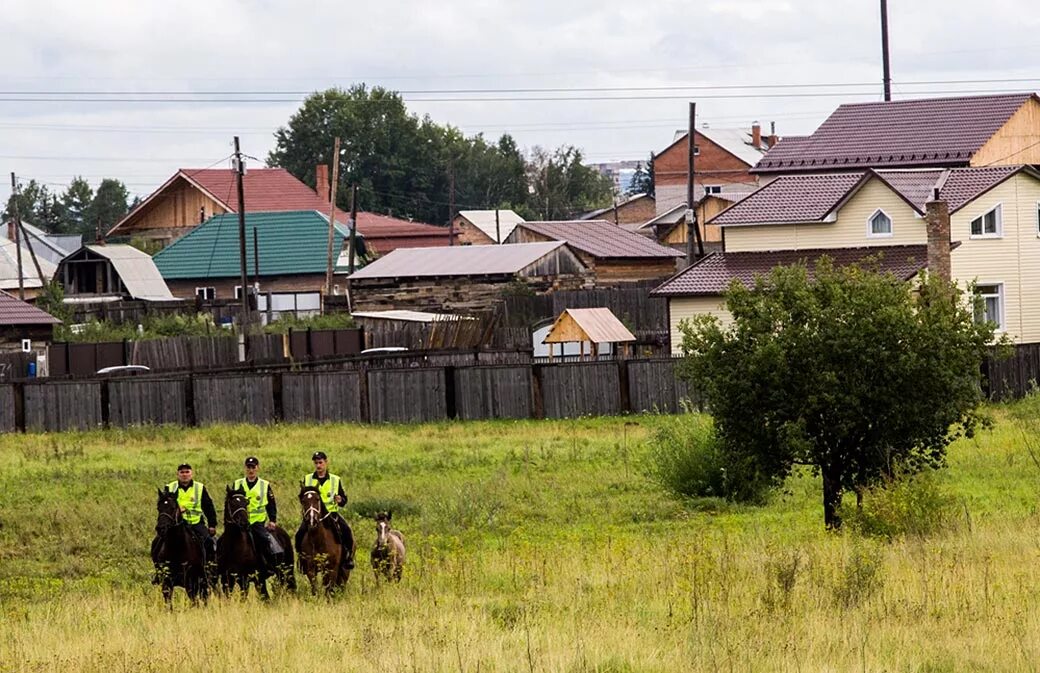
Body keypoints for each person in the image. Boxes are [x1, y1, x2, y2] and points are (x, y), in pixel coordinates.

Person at [152, 463, 218, 582]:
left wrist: (212, 525)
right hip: (175, 525)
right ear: (178, 474)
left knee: (208, 541)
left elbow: (208, 506)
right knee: (157, 542)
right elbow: (163, 505)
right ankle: (159, 571)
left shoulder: (199, 488)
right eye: (182, 472)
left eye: (187, 472)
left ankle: (208, 569)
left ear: (191, 473)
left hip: (195, 522)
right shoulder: (170, 487)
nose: (184, 475)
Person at [296, 451, 355, 570]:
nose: (318, 466)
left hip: (330, 514)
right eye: (316, 463)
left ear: (326, 462)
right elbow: (301, 496)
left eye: (320, 462)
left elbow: (344, 499)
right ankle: (302, 559)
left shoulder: (335, 479)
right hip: (313, 514)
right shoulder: (307, 479)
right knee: (299, 534)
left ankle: (347, 557)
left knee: (346, 531)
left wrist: (340, 499)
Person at [233, 456, 285, 573]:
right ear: (245, 468)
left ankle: (268, 565)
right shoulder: (237, 484)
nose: (251, 470)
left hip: (257, 522)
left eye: (253, 467)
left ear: (257, 468)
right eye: (248, 467)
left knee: (264, 539)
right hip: (240, 523)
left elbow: (271, 504)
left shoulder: (264, 485)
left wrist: (272, 520)